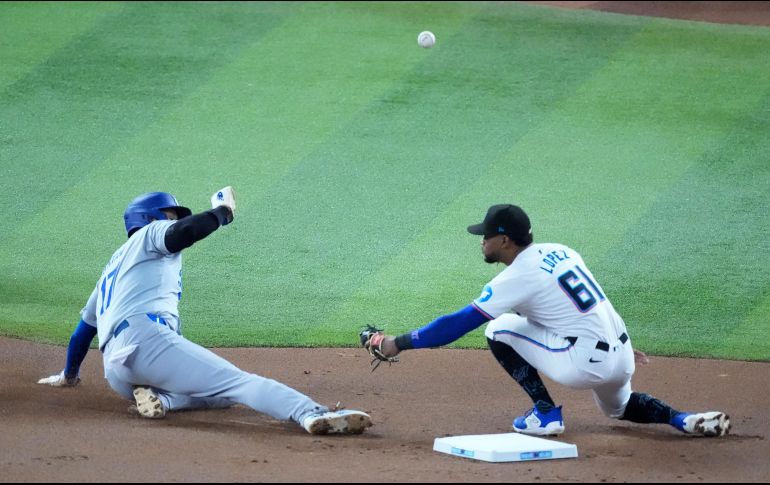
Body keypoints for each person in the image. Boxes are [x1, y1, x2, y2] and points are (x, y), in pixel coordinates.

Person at [368, 204, 730, 437]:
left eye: (486, 237)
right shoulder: (561, 251)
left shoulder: (516, 277)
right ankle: (682, 419)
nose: (481, 242)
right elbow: (585, 305)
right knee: (619, 407)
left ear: (505, 241)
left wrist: (395, 343)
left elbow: (456, 325)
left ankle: (545, 413)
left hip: (585, 362)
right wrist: (622, 349)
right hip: (620, 351)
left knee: (498, 328)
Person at [38, 188, 372, 435]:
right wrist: (221, 213)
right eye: (169, 215)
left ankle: (162, 400)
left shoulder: (112, 268)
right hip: (147, 341)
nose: (175, 221)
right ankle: (310, 413)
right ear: (147, 219)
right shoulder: (149, 236)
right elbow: (185, 232)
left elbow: (84, 330)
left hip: (118, 372)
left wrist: (69, 375)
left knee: (218, 396)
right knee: (238, 383)